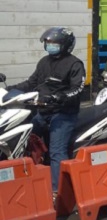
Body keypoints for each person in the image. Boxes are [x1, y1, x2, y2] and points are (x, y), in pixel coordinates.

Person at [8, 27, 85, 197]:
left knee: (56, 150)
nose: (50, 45)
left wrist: (59, 97)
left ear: (65, 45)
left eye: (54, 43)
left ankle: (58, 191)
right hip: (42, 112)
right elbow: (31, 83)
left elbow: (78, 89)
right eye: (48, 43)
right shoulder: (44, 62)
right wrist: (9, 90)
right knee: (25, 142)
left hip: (63, 114)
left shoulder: (74, 64)